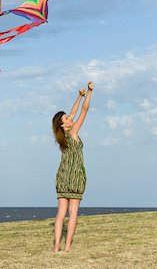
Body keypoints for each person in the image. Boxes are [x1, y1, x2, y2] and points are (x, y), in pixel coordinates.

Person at [52, 81, 94, 253]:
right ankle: (67, 247)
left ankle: (56, 247)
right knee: (73, 213)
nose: (70, 118)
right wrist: (90, 92)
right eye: (67, 119)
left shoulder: (61, 136)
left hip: (63, 175)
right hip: (75, 175)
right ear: (64, 124)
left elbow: (74, 111)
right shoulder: (74, 131)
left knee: (61, 213)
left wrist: (79, 96)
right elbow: (83, 111)